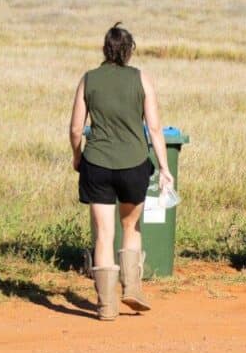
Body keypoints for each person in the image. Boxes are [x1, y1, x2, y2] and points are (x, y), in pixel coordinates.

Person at [68, 23, 174, 321]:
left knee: (103, 235)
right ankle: (132, 288)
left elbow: (77, 128)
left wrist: (78, 157)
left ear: (105, 49)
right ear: (129, 51)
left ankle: (105, 306)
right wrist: (165, 167)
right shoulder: (141, 79)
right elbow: (154, 128)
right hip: (134, 165)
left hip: (97, 164)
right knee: (131, 228)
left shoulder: (88, 79)